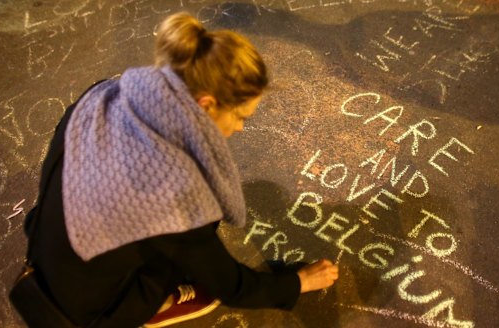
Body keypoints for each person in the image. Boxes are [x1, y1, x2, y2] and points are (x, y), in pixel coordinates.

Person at [17, 12, 339, 328]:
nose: (241, 128)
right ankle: (157, 303)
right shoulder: (172, 189)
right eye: (241, 116)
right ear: (206, 105)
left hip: (43, 251)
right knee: (203, 219)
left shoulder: (102, 96)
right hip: (90, 309)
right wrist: (297, 283)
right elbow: (230, 285)